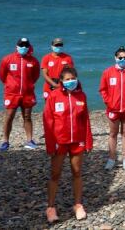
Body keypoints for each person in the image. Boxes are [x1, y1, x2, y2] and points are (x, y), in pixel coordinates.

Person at [43, 67, 92, 223]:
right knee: (55, 174)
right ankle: (50, 208)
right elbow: (48, 121)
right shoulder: (54, 96)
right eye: (67, 79)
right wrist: (50, 144)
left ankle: (78, 205)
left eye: (73, 78)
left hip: (77, 141)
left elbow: (85, 120)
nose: (71, 81)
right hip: (59, 142)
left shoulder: (81, 96)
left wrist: (88, 140)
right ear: (61, 81)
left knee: (77, 172)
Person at [99, 47, 125, 170]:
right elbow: (103, 90)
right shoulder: (108, 72)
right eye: (120, 58)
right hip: (113, 109)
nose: (122, 60)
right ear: (115, 58)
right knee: (113, 134)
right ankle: (111, 159)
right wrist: (109, 103)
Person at [0, 37, 41, 151]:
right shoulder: (7, 59)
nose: (23, 47)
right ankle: (5, 141)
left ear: (29, 47)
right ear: (17, 46)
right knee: (9, 116)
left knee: (27, 117)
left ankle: (29, 140)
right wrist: (11, 85)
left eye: (26, 46)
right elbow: (2, 75)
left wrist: (28, 85)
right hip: (12, 94)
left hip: (28, 93)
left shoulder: (33, 61)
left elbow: (35, 76)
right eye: (21, 45)